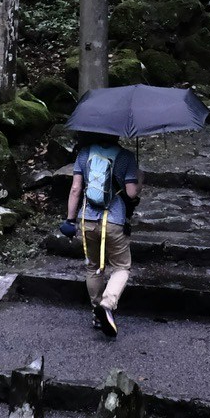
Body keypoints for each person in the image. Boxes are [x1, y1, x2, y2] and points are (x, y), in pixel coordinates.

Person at [67, 137, 141, 336]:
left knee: (93, 266)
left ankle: (96, 312)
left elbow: (75, 189)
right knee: (121, 267)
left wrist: (69, 220)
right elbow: (131, 193)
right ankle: (107, 303)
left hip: (86, 221)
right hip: (114, 220)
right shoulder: (125, 157)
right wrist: (139, 178)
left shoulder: (84, 153)